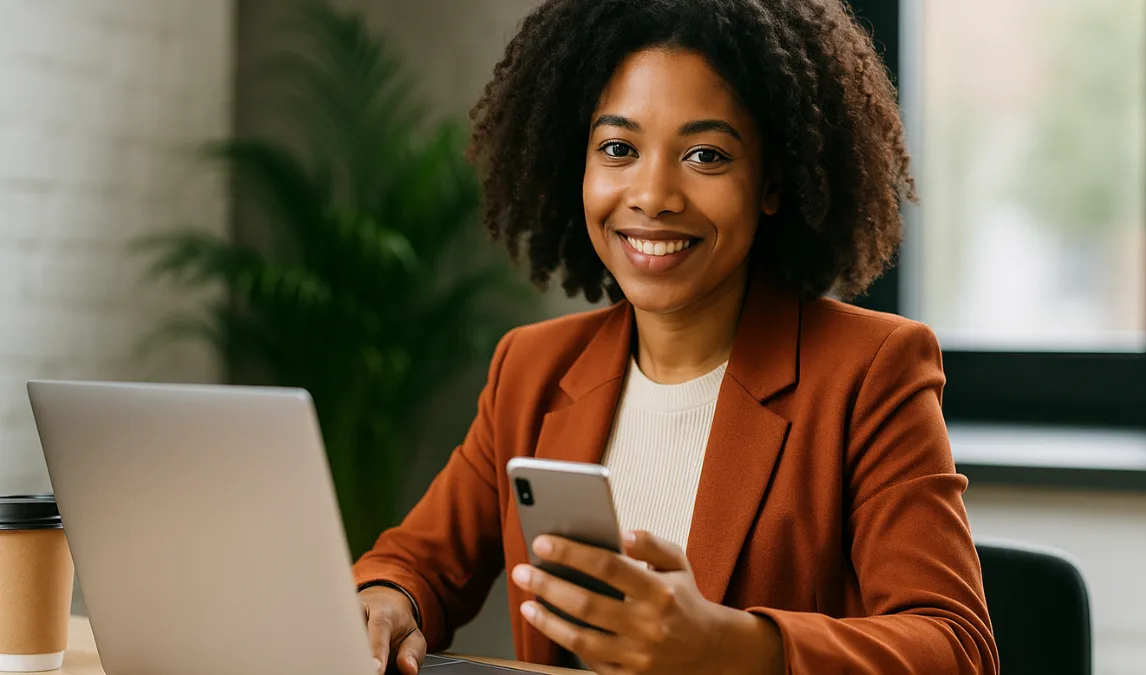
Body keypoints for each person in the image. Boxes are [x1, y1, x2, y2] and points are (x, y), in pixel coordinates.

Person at [355, 0, 998, 673]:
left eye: (705, 155)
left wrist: (729, 645)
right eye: (618, 149)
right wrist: (387, 598)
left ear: (772, 181)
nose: (653, 193)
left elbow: (956, 648)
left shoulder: (870, 370)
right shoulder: (534, 367)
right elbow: (414, 561)